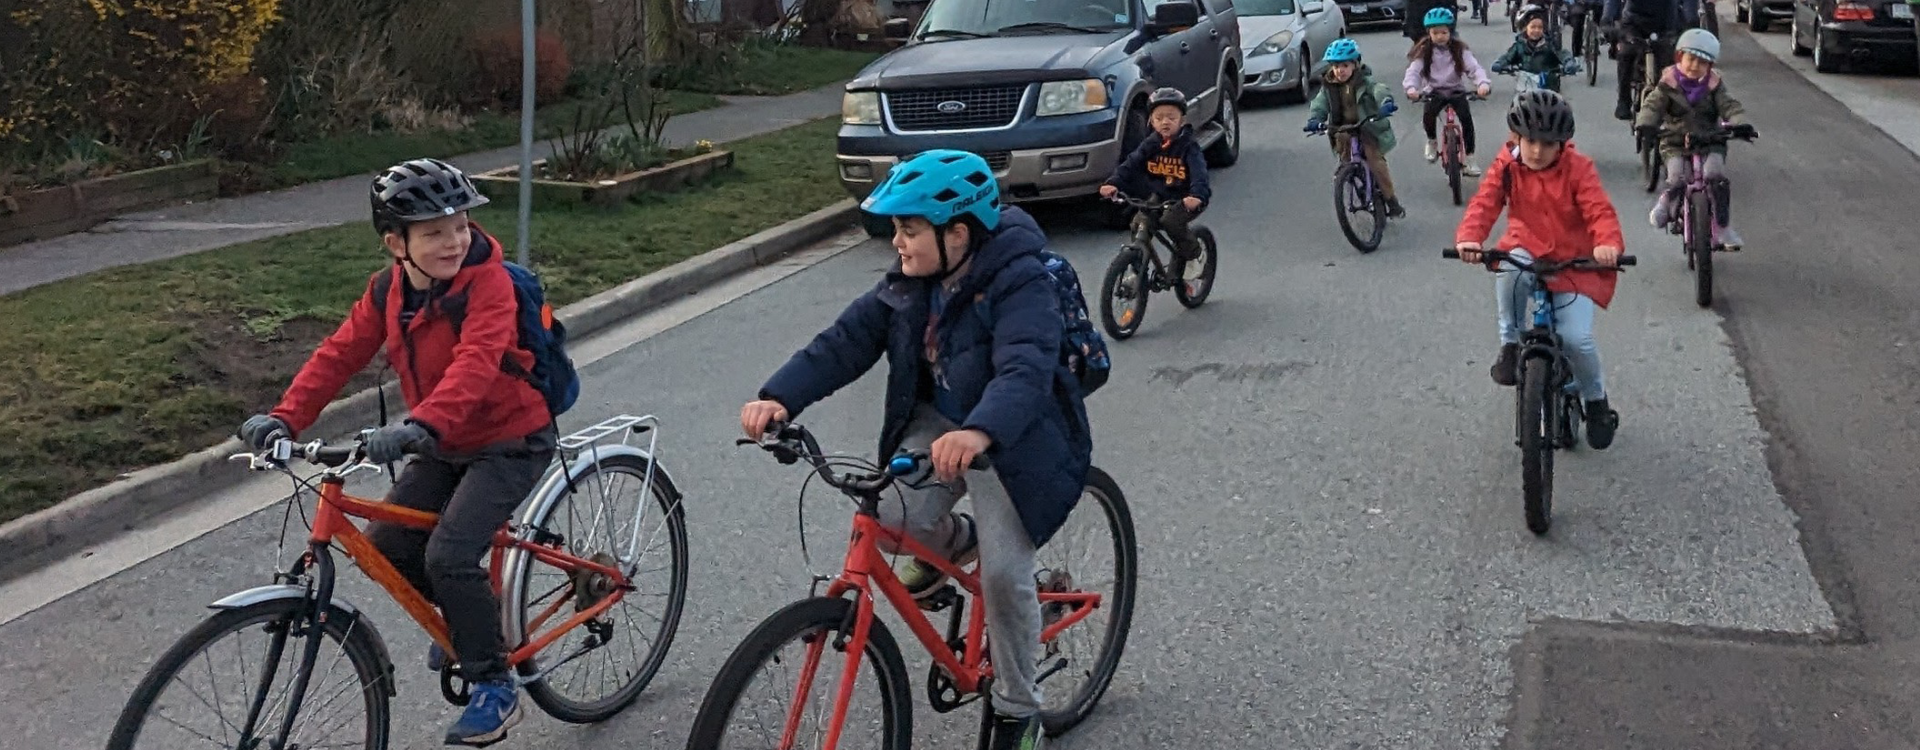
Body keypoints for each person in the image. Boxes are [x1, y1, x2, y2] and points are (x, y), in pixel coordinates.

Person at [740, 149, 1093, 750]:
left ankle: (1018, 710)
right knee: (891, 516)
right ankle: (953, 548)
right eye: (895, 230)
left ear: (958, 233)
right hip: (940, 420)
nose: (897, 244)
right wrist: (779, 397)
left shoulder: (1019, 277)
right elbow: (842, 343)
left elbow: (1025, 367)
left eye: (909, 230)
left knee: (1007, 576)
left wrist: (981, 431)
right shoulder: (908, 285)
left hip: (1013, 435)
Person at [235, 158, 556, 746]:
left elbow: (477, 363)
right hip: (442, 441)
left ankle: (495, 684)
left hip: (511, 440)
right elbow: (339, 354)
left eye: (459, 225)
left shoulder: (489, 283)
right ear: (395, 243)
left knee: (451, 557)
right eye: (434, 232)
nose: (454, 240)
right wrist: (283, 417)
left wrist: (419, 425)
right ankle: (475, 620)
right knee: (389, 551)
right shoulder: (388, 290)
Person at [1453, 90, 1627, 449]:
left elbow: (1599, 211)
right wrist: (1470, 238)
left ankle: (1596, 401)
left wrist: (1606, 244)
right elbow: (1485, 202)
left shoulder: (1579, 168)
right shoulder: (1507, 164)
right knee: (1510, 272)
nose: (1537, 151)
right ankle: (1510, 343)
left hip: (1573, 262)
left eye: (1548, 144)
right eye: (1530, 141)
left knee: (1577, 339)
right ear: (1516, 137)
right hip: (1526, 248)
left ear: (1562, 144)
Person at [1637, 28, 1756, 249]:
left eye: (1702, 62)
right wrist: (1645, 123)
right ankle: (1666, 201)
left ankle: (1722, 227)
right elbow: (1652, 105)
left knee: (1716, 177)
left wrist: (1740, 124)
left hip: (1711, 140)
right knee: (1677, 178)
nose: (1694, 66)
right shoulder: (1667, 84)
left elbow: (1730, 106)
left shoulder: (1714, 86)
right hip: (1675, 141)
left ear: (1709, 66)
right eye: (1690, 59)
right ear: (1679, 58)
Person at [1101, 86, 1212, 259]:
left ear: (1182, 120)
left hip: (1186, 197)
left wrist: (1197, 195)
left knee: (1171, 222)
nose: (1165, 122)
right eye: (1159, 118)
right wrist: (1113, 182)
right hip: (1160, 195)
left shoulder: (1188, 146)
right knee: (1139, 223)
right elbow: (1131, 163)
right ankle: (1138, 267)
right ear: (1151, 122)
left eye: (1171, 117)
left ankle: (1194, 256)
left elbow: (1200, 173)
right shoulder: (1151, 144)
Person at [1306, 38, 1406, 218]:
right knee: (1345, 160)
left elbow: (1379, 90)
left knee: (1376, 163)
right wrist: (1315, 119)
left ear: (1356, 64)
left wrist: (1386, 102)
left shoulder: (1365, 82)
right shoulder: (1328, 86)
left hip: (1367, 126)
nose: (1340, 71)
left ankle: (1391, 200)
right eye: (1335, 66)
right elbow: (1319, 103)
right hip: (1342, 129)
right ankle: (1348, 175)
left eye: (1344, 65)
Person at [1404, 7, 1494, 176]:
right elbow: (1414, 71)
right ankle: (1432, 141)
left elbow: (1474, 68)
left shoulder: (1460, 49)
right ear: (1428, 33)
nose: (1440, 37)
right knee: (1428, 116)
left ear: (1450, 32)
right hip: (1434, 91)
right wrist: (1411, 88)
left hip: (1456, 90)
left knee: (1467, 121)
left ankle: (1470, 158)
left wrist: (1482, 84)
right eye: (1435, 33)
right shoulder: (1424, 51)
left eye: (1444, 32)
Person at [1603, 0, 1682, 120]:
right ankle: (1623, 101)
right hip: (1633, 23)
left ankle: (1668, 101)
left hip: (1662, 23)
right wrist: (1607, 19)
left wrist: (1674, 33)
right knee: (1626, 53)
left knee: (1669, 60)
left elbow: (1675, 8)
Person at [1492, 5, 1584, 93]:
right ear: (1525, 28)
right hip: (1525, 91)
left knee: (1563, 108)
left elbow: (1561, 53)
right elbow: (1508, 57)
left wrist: (1568, 62)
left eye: (1540, 27)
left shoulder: (1549, 45)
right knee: (1515, 108)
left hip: (1550, 91)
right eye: (1533, 27)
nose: (1536, 30)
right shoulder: (1519, 46)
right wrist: (1500, 63)